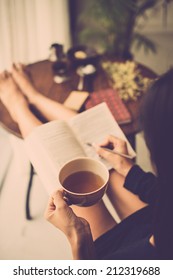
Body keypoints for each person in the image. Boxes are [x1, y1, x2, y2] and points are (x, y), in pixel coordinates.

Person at [0, 64, 173, 259]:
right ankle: (35, 97)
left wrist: (77, 237)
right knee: (97, 141)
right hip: (159, 221)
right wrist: (128, 168)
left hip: (132, 256)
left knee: (58, 159)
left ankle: (18, 107)